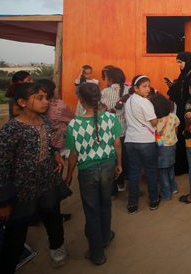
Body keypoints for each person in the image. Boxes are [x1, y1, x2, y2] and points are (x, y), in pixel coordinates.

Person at [0, 82, 72, 272]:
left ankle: (57, 248)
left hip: (47, 183)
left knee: (53, 219)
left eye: (47, 98)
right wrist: (3, 202)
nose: (46, 102)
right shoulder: (10, 130)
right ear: (22, 102)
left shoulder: (44, 122)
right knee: (16, 236)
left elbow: (47, 144)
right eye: (40, 98)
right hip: (22, 191)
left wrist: (55, 153)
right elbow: (2, 168)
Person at [65, 82, 122, 266]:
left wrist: (69, 175)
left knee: (92, 211)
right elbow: (117, 144)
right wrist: (119, 164)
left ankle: (97, 254)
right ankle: (105, 238)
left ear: (81, 101)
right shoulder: (111, 118)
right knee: (105, 204)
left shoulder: (74, 124)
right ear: (100, 98)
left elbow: (73, 154)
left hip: (87, 171)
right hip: (108, 166)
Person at [124, 75, 159, 214]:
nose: (147, 89)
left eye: (148, 86)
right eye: (144, 86)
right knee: (150, 170)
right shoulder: (145, 103)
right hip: (145, 140)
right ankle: (153, 200)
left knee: (134, 172)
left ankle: (132, 203)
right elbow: (154, 121)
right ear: (135, 88)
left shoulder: (128, 101)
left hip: (130, 140)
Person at [100, 67, 129, 197]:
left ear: (110, 79)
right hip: (125, 131)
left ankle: (112, 192)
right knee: (123, 159)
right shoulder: (129, 91)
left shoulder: (105, 92)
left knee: (111, 160)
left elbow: (101, 110)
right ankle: (122, 184)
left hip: (109, 131)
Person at [150, 93, 181, 201]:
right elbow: (176, 130)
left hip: (161, 147)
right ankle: (174, 188)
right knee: (170, 167)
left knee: (162, 170)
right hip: (172, 146)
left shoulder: (154, 120)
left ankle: (166, 193)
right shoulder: (173, 116)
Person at [37, 79, 76, 157]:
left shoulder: (33, 107)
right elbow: (73, 120)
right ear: (53, 92)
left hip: (39, 147)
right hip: (58, 146)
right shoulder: (60, 108)